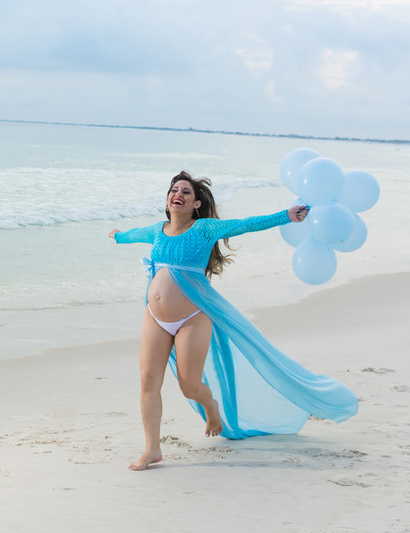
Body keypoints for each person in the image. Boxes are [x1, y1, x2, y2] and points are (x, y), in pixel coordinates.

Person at [110, 171, 358, 471]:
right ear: (167, 200)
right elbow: (132, 234)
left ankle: (211, 406)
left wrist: (286, 216)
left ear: (197, 204)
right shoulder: (157, 230)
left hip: (192, 318)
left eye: (186, 192)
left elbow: (244, 225)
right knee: (148, 382)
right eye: (174, 190)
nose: (178, 194)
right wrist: (117, 236)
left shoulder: (203, 229)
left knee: (190, 386)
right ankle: (152, 449)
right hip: (155, 318)